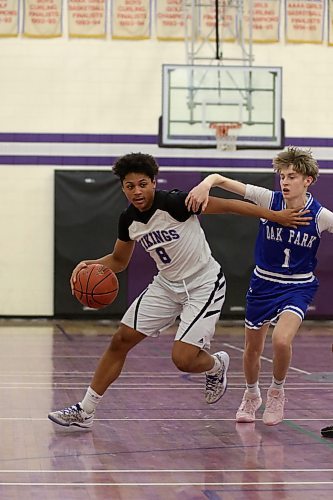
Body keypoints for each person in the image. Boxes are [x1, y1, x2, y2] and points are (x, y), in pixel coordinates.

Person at [48, 152, 311, 429]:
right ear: (122, 188)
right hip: (166, 285)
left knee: (183, 359)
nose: (137, 191)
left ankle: (216, 366)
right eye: (130, 186)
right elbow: (119, 261)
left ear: (153, 182)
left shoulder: (175, 202)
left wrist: (274, 215)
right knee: (120, 340)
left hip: (203, 283)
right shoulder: (128, 220)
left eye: (142, 184)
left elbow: (229, 206)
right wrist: (89, 264)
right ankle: (85, 410)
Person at [186, 146, 333, 426]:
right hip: (263, 284)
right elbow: (219, 179)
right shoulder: (269, 200)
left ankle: (277, 391)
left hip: (297, 287)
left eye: (292, 176)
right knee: (252, 349)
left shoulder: (320, 215)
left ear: (308, 180)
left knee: (281, 340)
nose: (285, 182)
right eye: (282, 177)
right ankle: (251, 395)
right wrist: (205, 184)